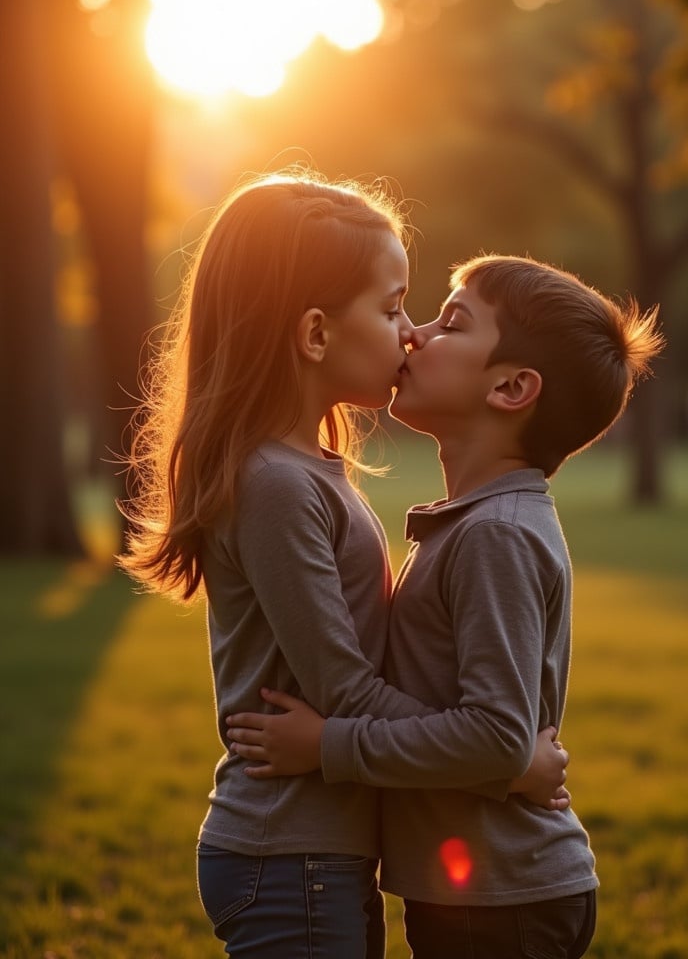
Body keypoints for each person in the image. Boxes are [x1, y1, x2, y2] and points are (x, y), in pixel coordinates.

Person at [117, 175, 569, 959]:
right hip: (289, 850)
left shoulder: (303, 470)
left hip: (316, 850)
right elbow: (345, 692)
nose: (409, 334)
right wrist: (504, 762)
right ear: (317, 334)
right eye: (393, 308)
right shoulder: (275, 484)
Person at [226, 254, 665, 959]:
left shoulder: (495, 535)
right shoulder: (473, 523)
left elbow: (495, 736)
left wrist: (328, 745)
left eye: (451, 322)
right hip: (480, 890)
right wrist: (510, 760)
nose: (415, 334)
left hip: (506, 897)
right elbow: (501, 744)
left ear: (513, 387)